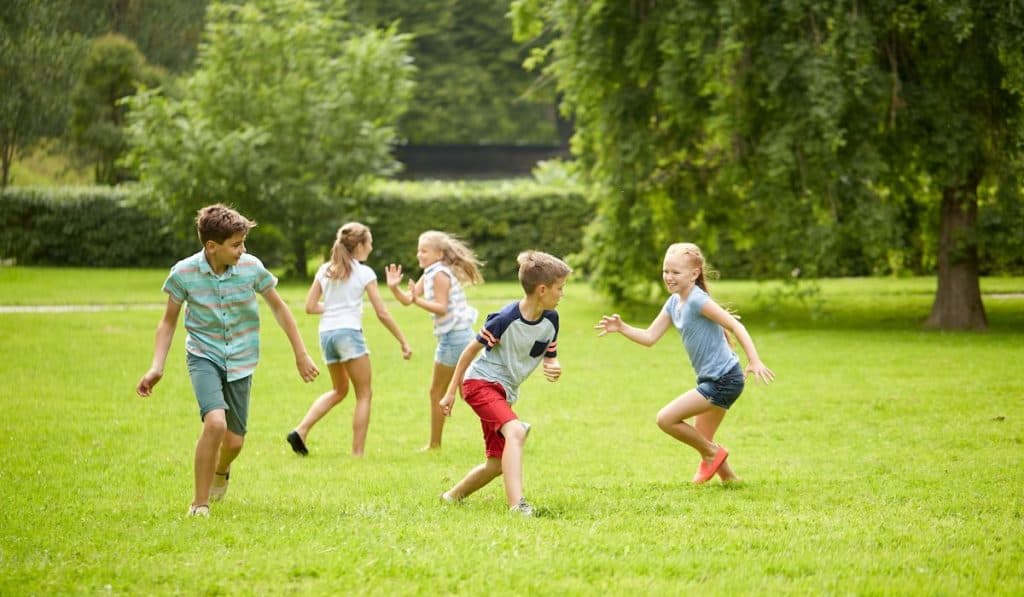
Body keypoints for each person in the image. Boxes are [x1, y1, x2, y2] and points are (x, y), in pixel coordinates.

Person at [136, 204, 320, 518]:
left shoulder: (250, 268)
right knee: (216, 424)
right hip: (203, 356)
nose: (242, 250)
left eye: (243, 243)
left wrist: (300, 353)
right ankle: (199, 503)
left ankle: (221, 470)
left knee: (234, 442)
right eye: (236, 245)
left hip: (242, 358)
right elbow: (168, 322)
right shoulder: (184, 273)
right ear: (211, 246)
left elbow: (279, 308)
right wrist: (157, 365)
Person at [595, 242, 774, 484]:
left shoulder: (697, 300)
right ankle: (731, 480)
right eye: (665, 271)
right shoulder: (674, 302)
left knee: (666, 419)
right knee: (702, 438)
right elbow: (650, 338)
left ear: (694, 273)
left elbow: (735, 325)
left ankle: (713, 454)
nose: (668, 277)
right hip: (714, 379)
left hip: (724, 380)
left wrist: (754, 360)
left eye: (675, 272)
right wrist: (622, 327)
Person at [439, 251, 571, 517]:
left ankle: (451, 497)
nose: (562, 294)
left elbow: (549, 355)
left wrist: (552, 365)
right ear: (542, 289)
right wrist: (450, 392)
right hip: (479, 384)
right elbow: (468, 352)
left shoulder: (551, 319)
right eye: (560, 288)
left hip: (505, 393)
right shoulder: (504, 319)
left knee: (497, 462)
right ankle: (517, 506)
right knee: (516, 432)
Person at [286, 222, 411, 458]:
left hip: (327, 335)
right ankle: (357, 454)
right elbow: (382, 312)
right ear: (361, 246)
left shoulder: (325, 269)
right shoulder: (364, 273)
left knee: (339, 390)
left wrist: (334, 307)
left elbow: (310, 307)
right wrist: (403, 340)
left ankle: (300, 431)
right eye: (370, 243)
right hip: (349, 333)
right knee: (364, 393)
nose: (371, 248)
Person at [385, 231, 483, 451]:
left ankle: (435, 445)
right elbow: (409, 300)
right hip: (460, 336)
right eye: (418, 250)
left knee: (437, 392)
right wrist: (394, 288)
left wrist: (418, 300)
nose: (419, 254)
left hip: (454, 338)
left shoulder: (439, 275)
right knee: (468, 392)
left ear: (439, 254)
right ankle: (508, 428)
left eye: (424, 250)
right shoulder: (430, 272)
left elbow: (441, 307)